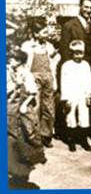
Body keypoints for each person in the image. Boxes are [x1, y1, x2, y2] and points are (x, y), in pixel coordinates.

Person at [7, 43, 47, 189]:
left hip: (23, 111)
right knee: (11, 140)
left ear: (20, 61)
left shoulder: (26, 74)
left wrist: (24, 104)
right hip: (11, 111)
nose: (10, 61)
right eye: (10, 58)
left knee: (26, 138)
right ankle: (12, 170)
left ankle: (23, 174)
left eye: (13, 59)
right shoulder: (10, 72)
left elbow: (32, 93)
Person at [21, 18, 59, 149]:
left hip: (48, 78)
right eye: (44, 31)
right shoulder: (27, 46)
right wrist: (27, 81)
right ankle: (34, 137)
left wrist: (53, 80)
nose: (47, 33)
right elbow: (24, 66)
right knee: (35, 108)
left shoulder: (49, 46)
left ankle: (46, 135)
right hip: (34, 78)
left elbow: (53, 62)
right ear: (36, 33)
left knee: (49, 108)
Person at [60, 40, 91, 152]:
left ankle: (83, 140)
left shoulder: (85, 65)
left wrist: (89, 94)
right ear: (71, 54)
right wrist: (66, 98)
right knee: (70, 116)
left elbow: (89, 80)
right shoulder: (66, 65)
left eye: (80, 53)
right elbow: (63, 82)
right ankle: (71, 140)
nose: (78, 56)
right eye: (76, 53)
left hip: (83, 93)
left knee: (84, 116)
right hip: (71, 93)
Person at [59, 0, 91, 67]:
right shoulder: (69, 26)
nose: (88, 10)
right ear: (80, 6)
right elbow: (65, 51)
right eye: (86, 7)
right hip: (76, 67)